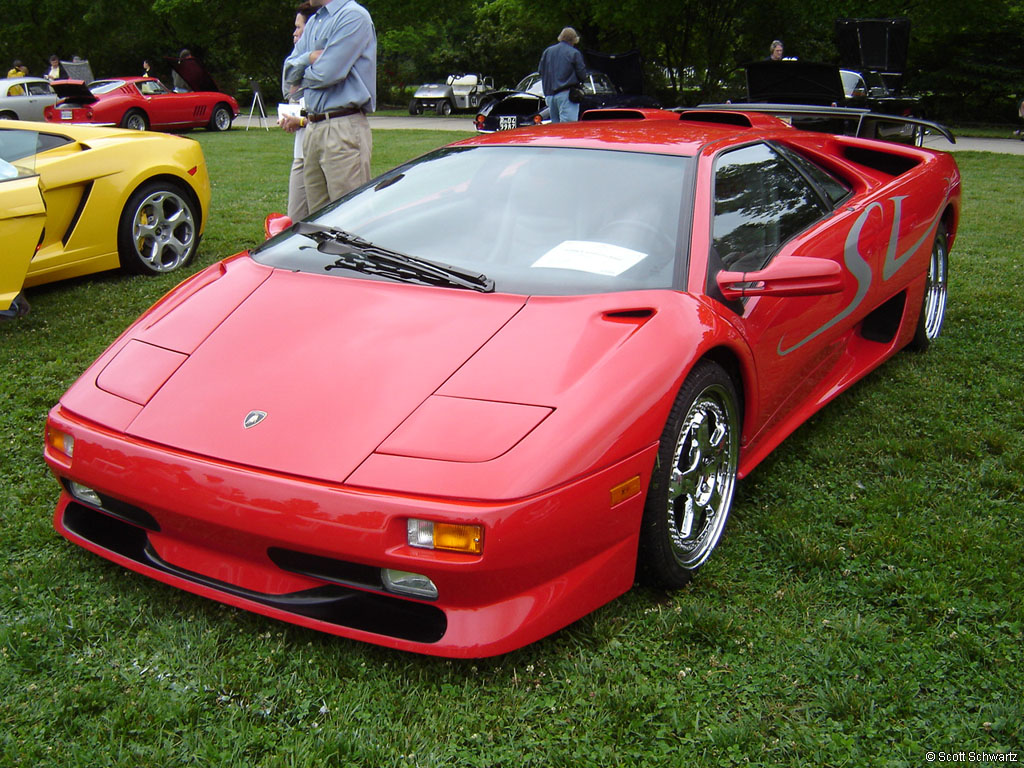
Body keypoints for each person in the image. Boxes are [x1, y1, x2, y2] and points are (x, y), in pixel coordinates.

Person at [282, 0, 376, 212]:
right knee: (319, 220)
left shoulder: (353, 16)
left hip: (342, 126)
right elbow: (288, 77)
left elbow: (328, 73)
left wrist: (301, 71)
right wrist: (310, 57)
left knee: (349, 216)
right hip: (313, 127)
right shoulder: (315, 20)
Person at [278, 2, 315, 221]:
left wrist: (300, 120)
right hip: (301, 152)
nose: (295, 33)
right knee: (297, 218)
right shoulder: (297, 61)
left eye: (299, 27)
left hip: (320, 151)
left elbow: (328, 108)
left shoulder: (323, 63)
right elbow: (291, 93)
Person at [538, 27, 587, 123]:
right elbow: (582, 75)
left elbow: (540, 71)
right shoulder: (574, 53)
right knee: (568, 128)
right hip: (566, 95)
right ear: (574, 40)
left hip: (550, 95)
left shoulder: (548, 51)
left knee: (556, 130)